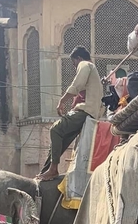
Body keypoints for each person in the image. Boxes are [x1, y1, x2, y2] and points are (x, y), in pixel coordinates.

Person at [36, 46, 103, 181]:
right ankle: (46, 171)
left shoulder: (85, 64)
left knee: (55, 129)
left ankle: (53, 169)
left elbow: (76, 85)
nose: (74, 67)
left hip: (86, 111)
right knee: (61, 139)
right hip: (90, 113)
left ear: (78, 58)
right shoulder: (93, 71)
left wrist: (62, 101)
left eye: (74, 63)